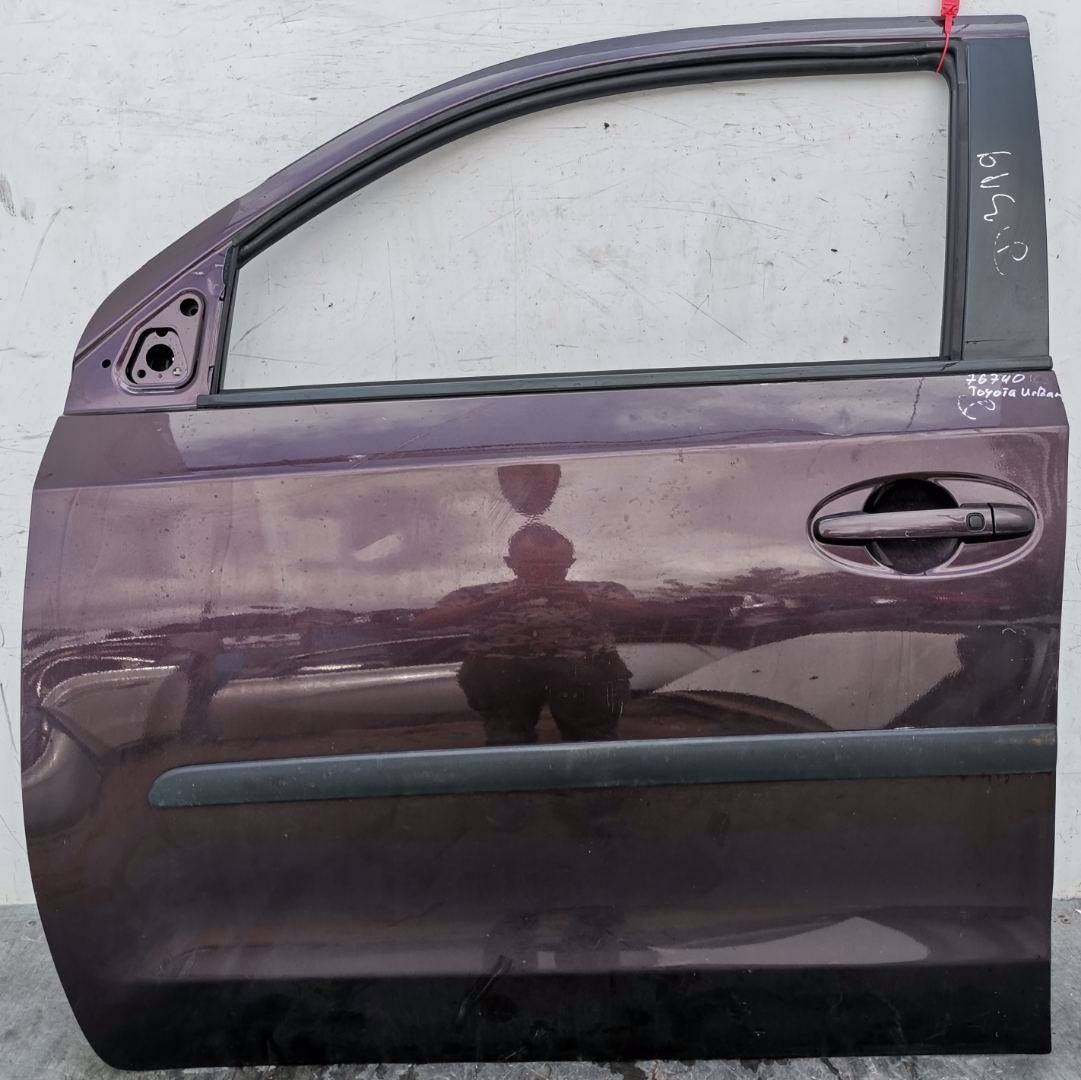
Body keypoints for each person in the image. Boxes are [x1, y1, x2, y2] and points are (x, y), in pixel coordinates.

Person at [415, 523, 635, 745]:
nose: (543, 573)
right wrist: (495, 601)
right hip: (501, 672)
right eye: (532, 566)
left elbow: (642, 612)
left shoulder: (601, 590)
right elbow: (425, 621)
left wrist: (585, 599)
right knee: (507, 741)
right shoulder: (480, 593)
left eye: (554, 567)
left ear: (570, 563)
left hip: (587, 670)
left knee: (594, 742)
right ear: (510, 563)